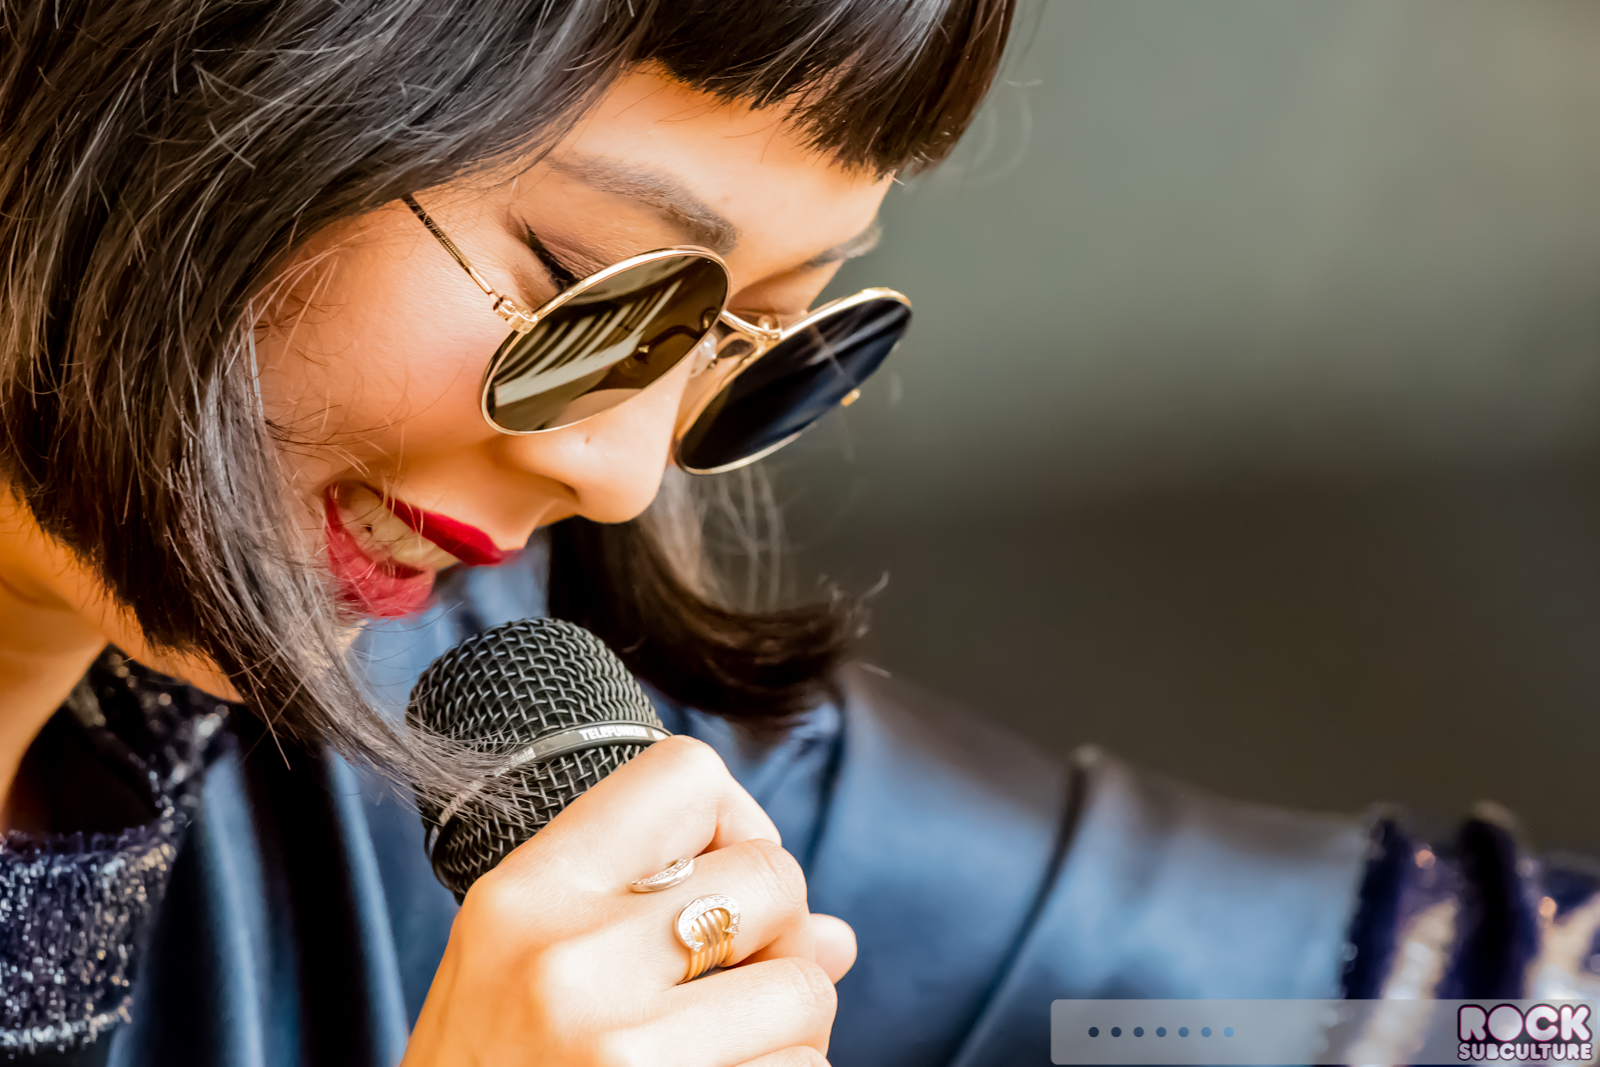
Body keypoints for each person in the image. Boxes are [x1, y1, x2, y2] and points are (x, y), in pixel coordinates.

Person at [2, 2, 1598, 1066]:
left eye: (745, 345)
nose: (622, 472)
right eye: (588, 293)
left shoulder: (519, 754)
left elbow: (1436, 1013)